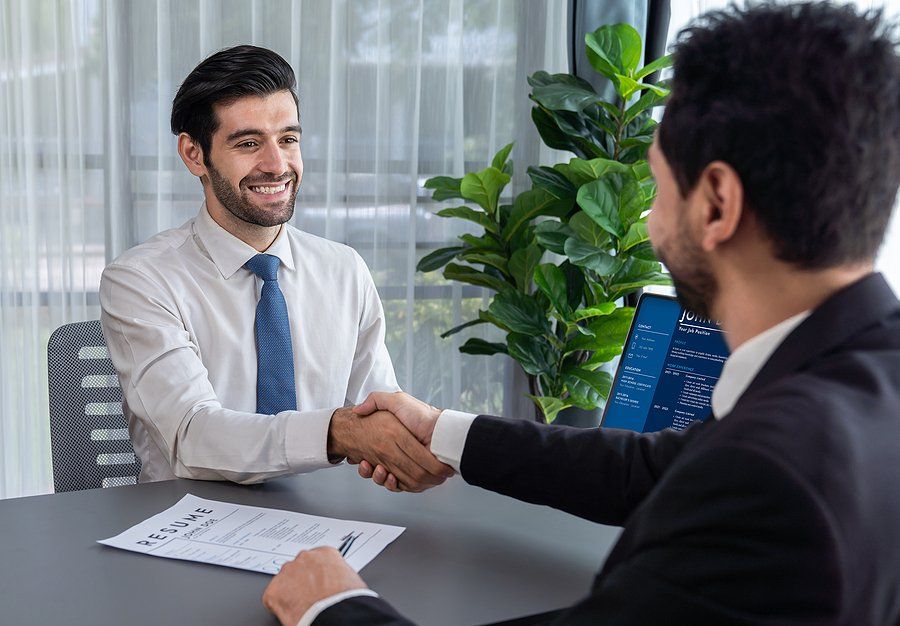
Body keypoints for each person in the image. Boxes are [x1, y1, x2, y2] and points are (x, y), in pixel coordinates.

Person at [262, 3, 900, 624]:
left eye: (657, 186)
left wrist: (332, 608)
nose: (649, 223)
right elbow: (654, 470)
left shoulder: (769, 478)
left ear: (716, 205)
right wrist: (442, 431)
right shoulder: (861, 377)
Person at [100, 45, 452, 490]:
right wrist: (336, 433)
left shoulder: (343, 269)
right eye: (248, 143)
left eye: (288, 139)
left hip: (323, 521)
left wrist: (416, 447)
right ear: (193, 154)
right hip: (190, 526)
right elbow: (192, 436)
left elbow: (373, 409)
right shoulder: (140, 280)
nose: (277, 165)